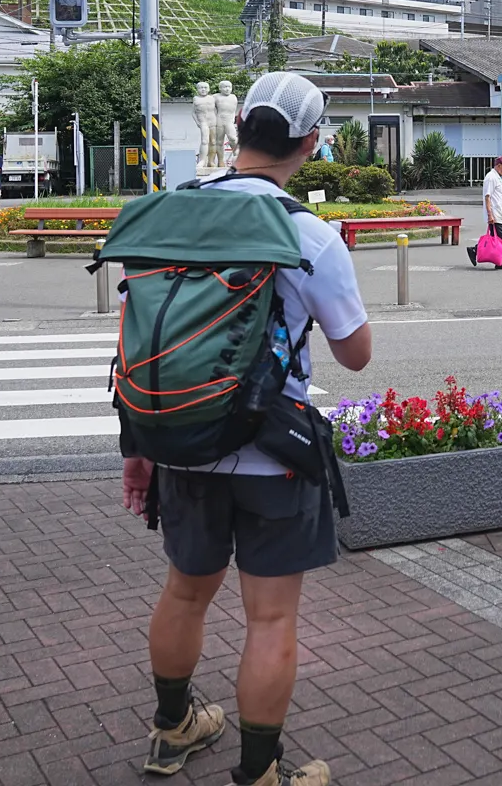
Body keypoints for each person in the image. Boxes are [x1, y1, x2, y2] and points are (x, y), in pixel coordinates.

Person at [123, 71, 371, 786]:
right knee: (269, 620)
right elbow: (356, 356)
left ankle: (172, 731)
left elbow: (135, 335)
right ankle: (260, 771)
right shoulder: (308, 235)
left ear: (237, 132)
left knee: (184, 591)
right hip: (272, 456)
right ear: (312, 143)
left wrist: (136, 447)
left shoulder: (172, 215)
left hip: (181, 440)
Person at [468, 154, 502, 269]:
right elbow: (488, 196)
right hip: (495, 215)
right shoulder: (491, 177)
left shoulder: (497, 177)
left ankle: (475, 250)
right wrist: (490, 214)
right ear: (499, 165)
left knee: (497, 239)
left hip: (499, 213)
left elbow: (498, 197)